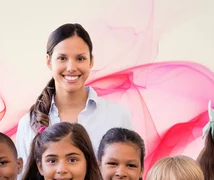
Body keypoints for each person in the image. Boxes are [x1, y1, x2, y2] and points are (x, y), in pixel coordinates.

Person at [16, 23, 133, 168]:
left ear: (91, 61)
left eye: (80, 58)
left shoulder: (117, 116)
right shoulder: (28, 123)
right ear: (48, 61)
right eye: (62, 58)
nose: (71, 68)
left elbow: (129, 173)